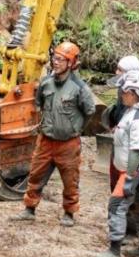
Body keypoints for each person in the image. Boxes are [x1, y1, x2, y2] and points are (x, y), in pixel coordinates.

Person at [10, 41, 95, 226]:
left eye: (61, 59)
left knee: (70, 179)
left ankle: (69, 213)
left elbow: (89, 111)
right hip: (46, 140)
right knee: (35, 174)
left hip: (68, 143)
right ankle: (29, 209)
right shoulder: (46, 83)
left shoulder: (79, 88)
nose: (55, 62)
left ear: (71, 63)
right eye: (54, 58)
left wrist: (75, 128)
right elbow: (39, 103)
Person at [95, 69, 139, 257]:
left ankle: (114, 250)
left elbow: (136, 150)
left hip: (135, 171)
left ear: (133, 93)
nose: (121, 95)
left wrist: (130, 176)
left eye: (123, 92)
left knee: (116, 206)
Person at [103, 55, 139, 190]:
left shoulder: (137, 97)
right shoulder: (122, 91)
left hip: (128, 148)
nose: (116, 72)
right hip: (119, 144)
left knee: (124, 189)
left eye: (120, 70)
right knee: (115, 181)